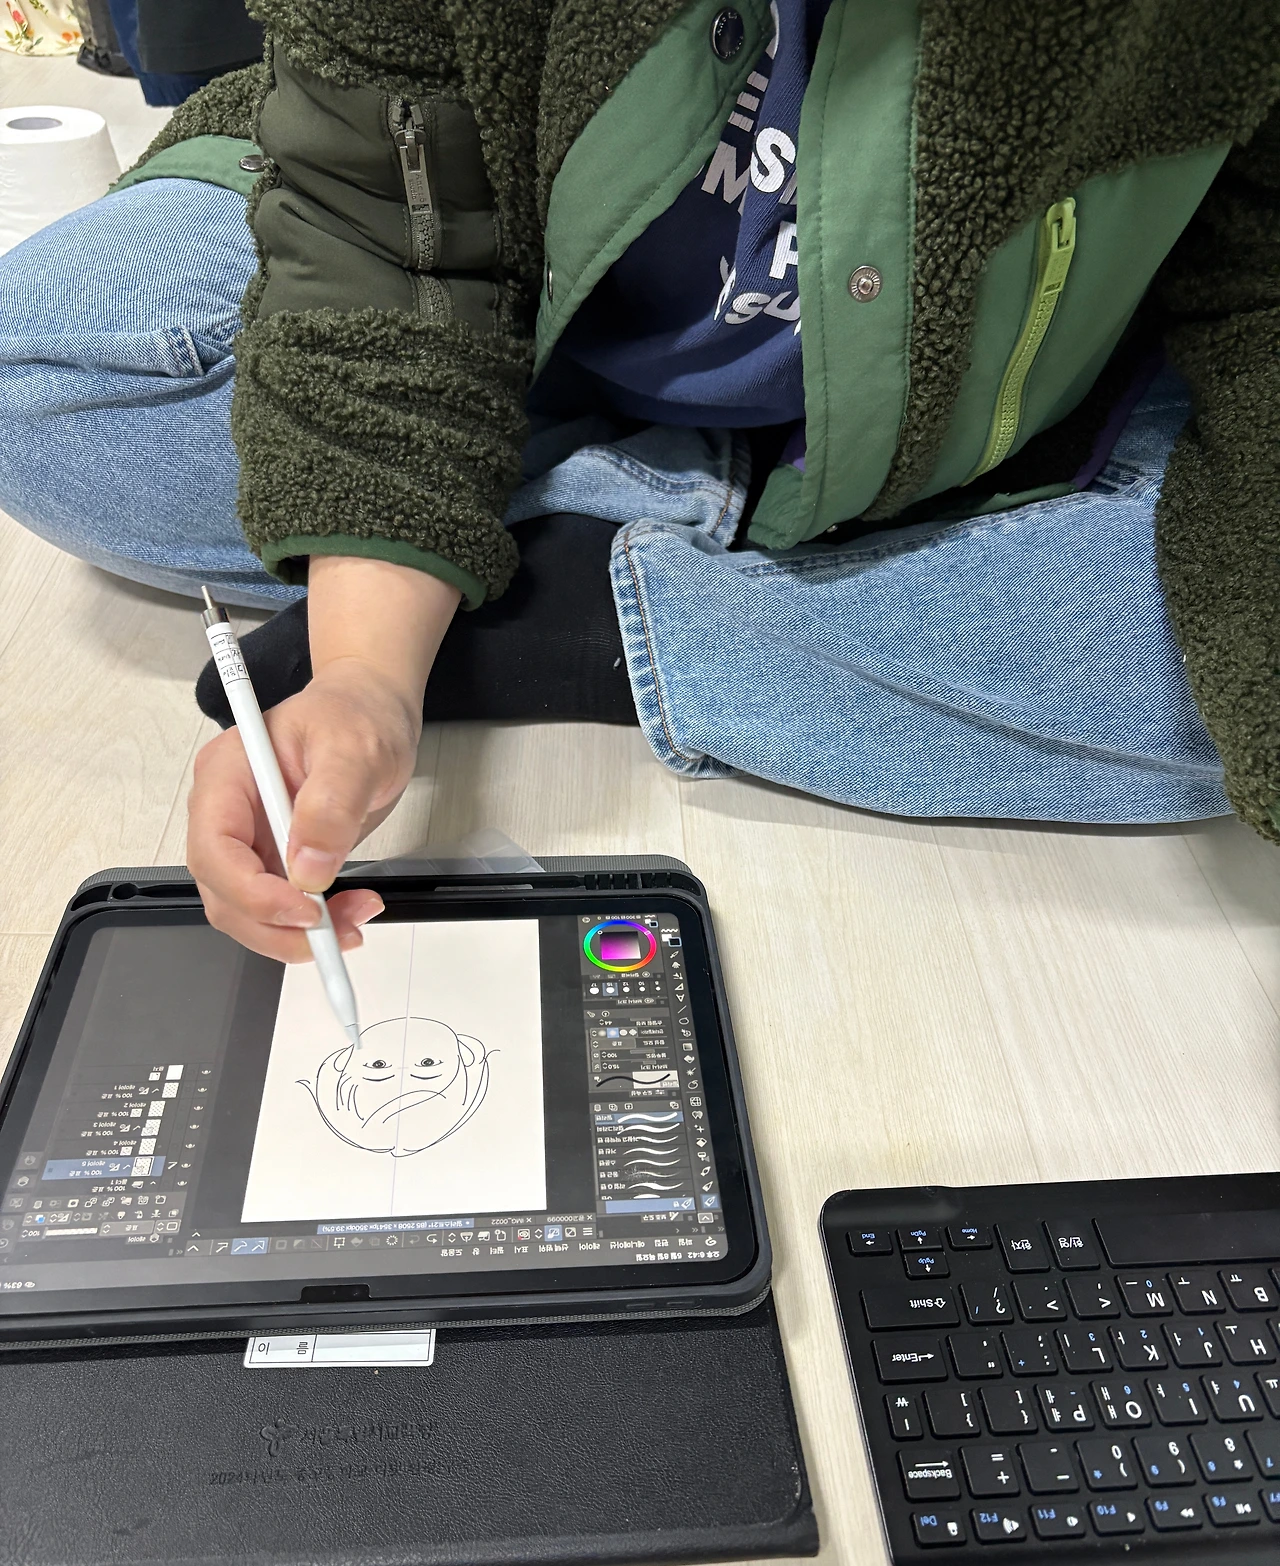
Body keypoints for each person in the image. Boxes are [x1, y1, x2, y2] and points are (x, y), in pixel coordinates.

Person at [1, 2, 1277, 964]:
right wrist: (363, 673)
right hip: (499, 270)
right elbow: (379, 226)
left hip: (965, 396)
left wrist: (376, 609)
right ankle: (700, 542)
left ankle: (574, 605)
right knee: (37, 380)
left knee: (1203, 685)